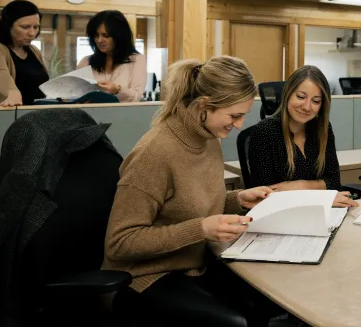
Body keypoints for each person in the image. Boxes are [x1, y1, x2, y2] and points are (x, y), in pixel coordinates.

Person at [102, 56, 280, 326]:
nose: (241, 125)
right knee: (236, 321)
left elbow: (189, 204)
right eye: (235, 115)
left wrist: (236, 200)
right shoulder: (155, 154)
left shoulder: (208, 138)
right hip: (142, 277)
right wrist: (201, 230)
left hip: (195, 263)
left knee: (265, 299)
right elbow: (120, 243)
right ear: (205, 105)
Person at [247, 65, 358, 207]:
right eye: (300, 97)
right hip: (281, 219)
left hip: (323, 214)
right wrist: (320, 192)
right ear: (288, 94)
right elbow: (266, 196)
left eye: (316, 101)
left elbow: (334, 182)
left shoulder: (322, 128)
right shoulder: (264, 132)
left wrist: (298, 185)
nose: (307, 107)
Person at [0, 0, 48, 106]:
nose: (32, 33)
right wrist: (12, 92)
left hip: (31, 117)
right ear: (8, 26)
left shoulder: (34, 50)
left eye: (36, 27)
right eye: (25, 27)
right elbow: (0, 75)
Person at [77, 10, 147, 102]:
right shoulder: (86, 61)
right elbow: (76, 93)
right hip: (88, 115)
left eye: (105, 35)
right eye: (96, 35)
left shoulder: (137, 60)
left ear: (119, 36)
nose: (99, 40)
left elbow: (136, 96)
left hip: (122, 115)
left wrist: (117, 90)